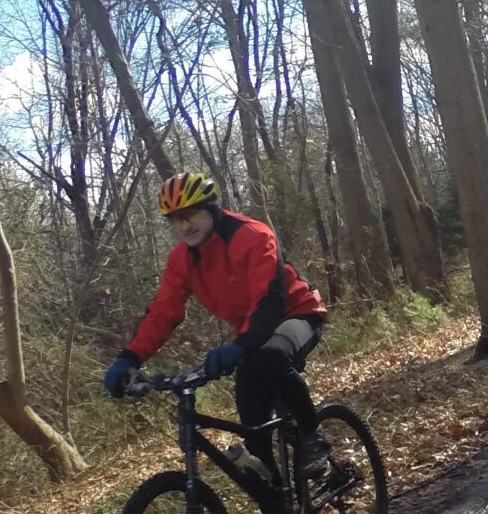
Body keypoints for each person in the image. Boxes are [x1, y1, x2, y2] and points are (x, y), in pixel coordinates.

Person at [104, 172, 331, 492]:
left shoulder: (251, 235)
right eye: (176, 220)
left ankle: (311, 436)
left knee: (271, 356)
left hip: (297, 314)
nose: (185, 226)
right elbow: (163, 311)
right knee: (254, 437)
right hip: (251, 334)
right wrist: (130, 357)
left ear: (211, 208)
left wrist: (241, 346)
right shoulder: (181, 260)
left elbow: (269, 301)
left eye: (191, 214)